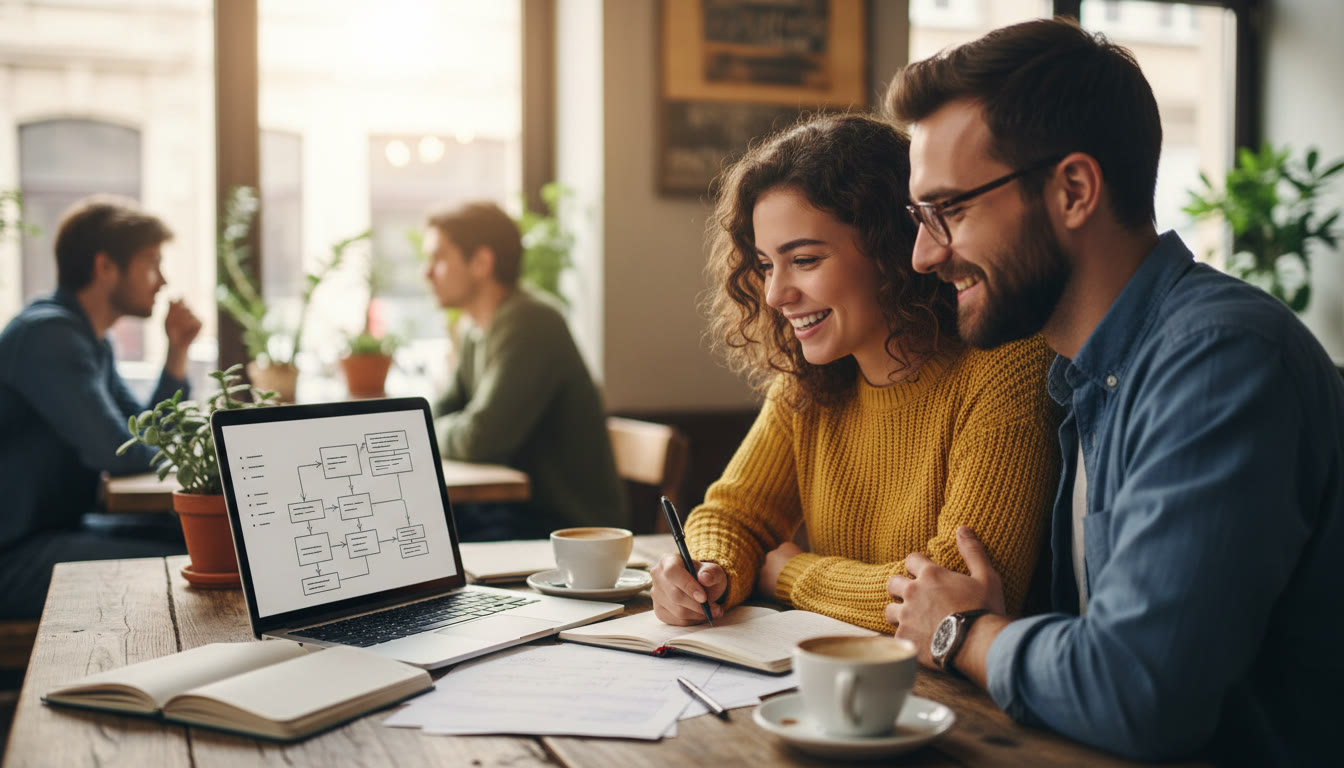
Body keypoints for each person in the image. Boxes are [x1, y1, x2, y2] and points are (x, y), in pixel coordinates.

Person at [881, 18, 1344, 767]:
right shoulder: (1089, 373)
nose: (924, 253)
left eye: (950, 211)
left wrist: (965, 635)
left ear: (1073, 189)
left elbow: (1138, 692)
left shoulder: (1219, 361)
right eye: (920, 217)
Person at [649, 113, 1060, 633]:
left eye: (804, 259)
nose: (776, 295)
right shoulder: (808, 383)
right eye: (766, 265)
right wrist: (706, 572)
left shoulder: (1006, 368)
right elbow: (733, 514)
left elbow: (955, 594)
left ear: (891, 249)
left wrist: (792, 574)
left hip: (964, 702)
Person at [0, 195, 202, 619]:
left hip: (58, 531)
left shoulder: (90, 341)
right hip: (15, 556)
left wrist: (177, 352)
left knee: (202, 537)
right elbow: (116, 452)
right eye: (151, 263)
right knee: (196, 556)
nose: (161, 280)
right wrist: (192, 458)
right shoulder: (47, 336)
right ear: (105, 266)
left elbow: (144, 437)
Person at [424, 201, 625, 540]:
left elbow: (479, 438)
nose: (426, 272)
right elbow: (440, 413)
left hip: (566, 527)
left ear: (482, 263)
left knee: (434, 542)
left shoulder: (531, 322)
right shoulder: (474, 330)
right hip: (516, 514)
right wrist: (432, 428)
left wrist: (429, 431)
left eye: (439, 258)